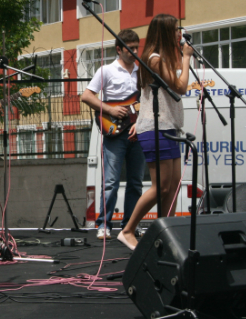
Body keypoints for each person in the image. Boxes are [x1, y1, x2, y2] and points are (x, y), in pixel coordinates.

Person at [117, 14, 193, 250]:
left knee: (174, 184)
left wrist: (182, 57)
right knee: (160, 187)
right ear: (165, 32)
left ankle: (166, 229)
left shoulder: (167, 58)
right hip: (155, 127)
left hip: (170, 126)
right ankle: (127, 230)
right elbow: (181, 87)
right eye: (176, 29)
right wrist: (187, 58)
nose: (180, 34)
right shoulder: (154, 58)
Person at [81, 30, 145, 240]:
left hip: (138, 131)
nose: (135, 51)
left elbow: (145, 100)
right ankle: (104, 224)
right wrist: (109, 110)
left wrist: (142, 121)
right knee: (111, 181)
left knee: (136, 182)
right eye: (130, 48)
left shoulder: (142, 71)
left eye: (137, 47)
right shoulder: (106, 71)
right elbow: (86, 96)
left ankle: (130, 226)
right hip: (115, 131)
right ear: (119, 49)